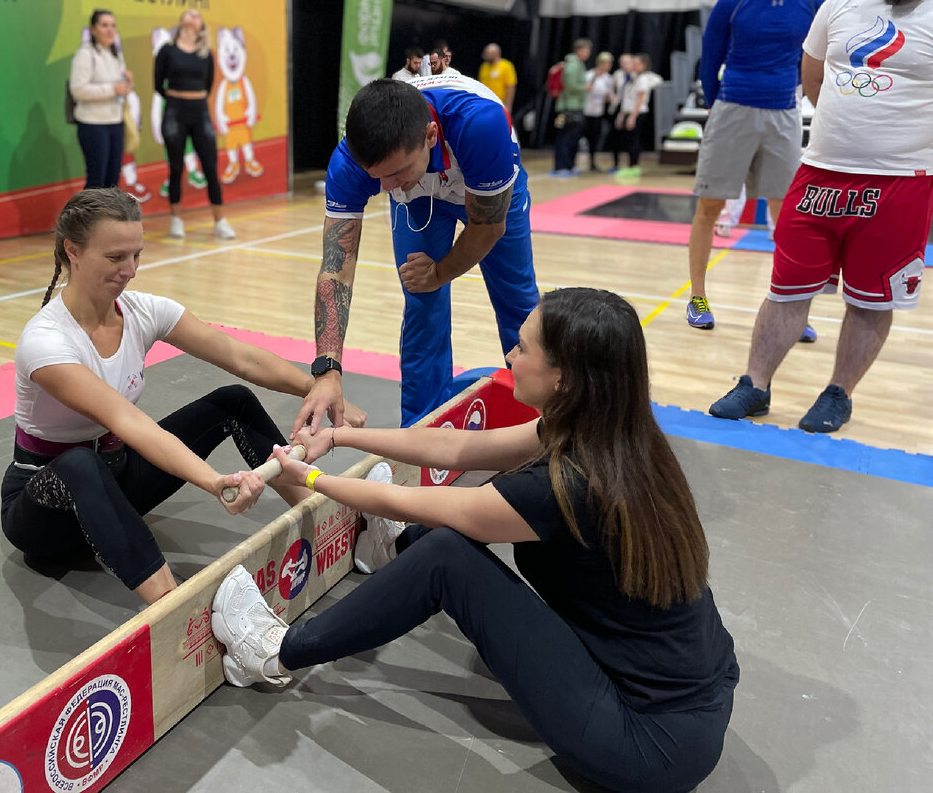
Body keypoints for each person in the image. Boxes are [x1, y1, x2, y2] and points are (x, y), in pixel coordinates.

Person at [214, 287, 739, 793]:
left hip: (647, 742)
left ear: (564, 378)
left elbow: (424, 505)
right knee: (463, 516)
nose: (509, 354)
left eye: (524, 347)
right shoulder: (611, 434)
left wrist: (308, 478)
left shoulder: (568, 484)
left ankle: (273, 653)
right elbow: (459, 447)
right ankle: (390, 551)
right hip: (692, 697)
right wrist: (339, 436)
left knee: (447, 555)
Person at [0, 188, 365, 604]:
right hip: (47, 512)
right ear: (73, 251)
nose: (131, 270)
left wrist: (321, 387)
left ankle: (324, 517)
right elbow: (129, 423)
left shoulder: (141, 311)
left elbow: (240, 357)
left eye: (136, 254)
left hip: (118, 486)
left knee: (233, 399)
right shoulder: (46, 341)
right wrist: (216, 483)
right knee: (80, 464)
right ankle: (174, 607)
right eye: (116, 258)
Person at [710, 0, 933, 434]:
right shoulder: (844, 2)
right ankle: (755, 385)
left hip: (901, 185)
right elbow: (812, 77)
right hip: (820, 173)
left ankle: (838, 392)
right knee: (785, 288)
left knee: (870, 299)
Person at [293, 75, 539, 431]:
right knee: (422, 306)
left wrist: (440, 272)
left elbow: (488, 228)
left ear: (430, 136)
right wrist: (327, 369)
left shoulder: (479, 125)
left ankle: (543, 418)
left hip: (488, 189)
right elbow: (336, 269)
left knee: (518, 302)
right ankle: (422, 432)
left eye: (395, 173)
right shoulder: (350, 163)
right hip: (423, 195)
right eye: (377, 178)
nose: (386, 188)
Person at [686, 0, 824, 334]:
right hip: (732, 111)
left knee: (787, 216)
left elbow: (822, 58)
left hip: (783, 114)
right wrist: (716, 107)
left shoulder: (815, 2)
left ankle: (789, 308)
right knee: (709, 208)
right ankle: (697, 297)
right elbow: (709, 61)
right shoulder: (735, 0)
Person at [153, 9, 233, 240]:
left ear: (201, 27)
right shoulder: (166, 51)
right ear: (180, 22)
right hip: (175, 111)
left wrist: (193, 98)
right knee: (176, 167)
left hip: (200, 112)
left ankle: (220, 221)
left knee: (210, 166)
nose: (192, 16)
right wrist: (177, 97)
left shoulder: (205, 53)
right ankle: (176, 220)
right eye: (189, 14)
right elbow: (158, 84)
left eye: (197, 15)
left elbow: (207, 85)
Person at [70, 9, 132, 189]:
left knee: (113, 180)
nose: (110, 30)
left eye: (113, 26)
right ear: (93, 29)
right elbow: (78, 90)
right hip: (93, 124)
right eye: (104, 25)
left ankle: (108, 218)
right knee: (96, 180)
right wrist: (112, 89)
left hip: (115, 122)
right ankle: (89, 218)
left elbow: (119, 89)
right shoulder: (85, 54)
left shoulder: (115, 55)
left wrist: (126, 85)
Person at [612, 53, 660, 178]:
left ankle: (634, 166)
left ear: (643, 65)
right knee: (628, 140)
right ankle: (630, 165)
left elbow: (640, 99)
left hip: (637, 113)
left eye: (636, 64)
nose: (633, 65)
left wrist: (633, 116)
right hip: (627, 111)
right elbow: (626, 98)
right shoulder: (632, 77)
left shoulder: (644, 79)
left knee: (634, 140)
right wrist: (621, 115)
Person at [549, 38, 592, 177]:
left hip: (576, 106)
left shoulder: (579, 64)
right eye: (585, 50)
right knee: (565, 137)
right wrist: (584, 87)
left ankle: (569, 165)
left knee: (573, 138)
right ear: (578, 50)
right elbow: (569, 84)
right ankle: (561, 166)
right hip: (568, 107)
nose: (587, 53)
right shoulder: (573, 65)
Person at [582, 51, 615, 172]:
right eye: (606, 63)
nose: (608, 66)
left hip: (598, 112)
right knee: (581, 136)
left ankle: (592, 162)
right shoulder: (589, 74)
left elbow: (608, 97)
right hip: (586, 111)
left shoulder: (608, 78)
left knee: (595, 138)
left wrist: (608, 97)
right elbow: (585, 89)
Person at [477, 42, 517, 113]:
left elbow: (510, 86)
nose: (485, 55)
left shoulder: (506, 66)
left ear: (495, 54)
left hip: (499, 104)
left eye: (488, 53)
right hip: (484, 103)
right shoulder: (484, 66)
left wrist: (508, 105)